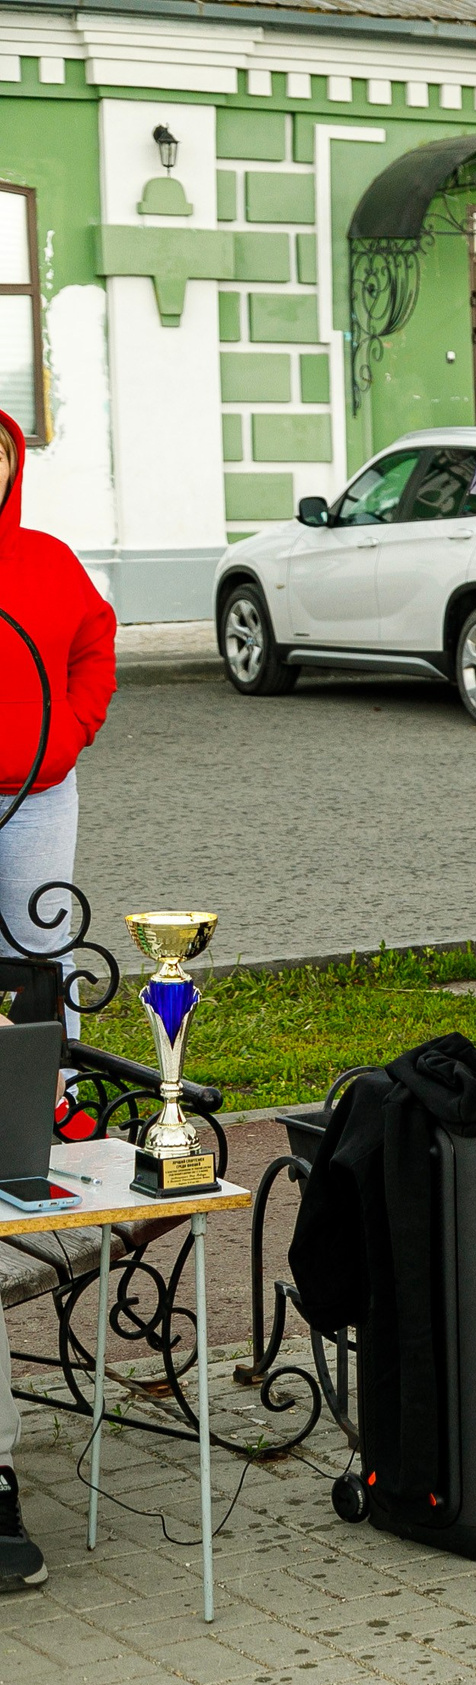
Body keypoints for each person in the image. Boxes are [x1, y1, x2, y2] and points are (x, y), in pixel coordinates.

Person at [0, 406, 116, 1596]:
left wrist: (71, 731)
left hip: (39, 789)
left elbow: (94, 643)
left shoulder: (46, 559)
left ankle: (55, 1107)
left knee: (41, 952)